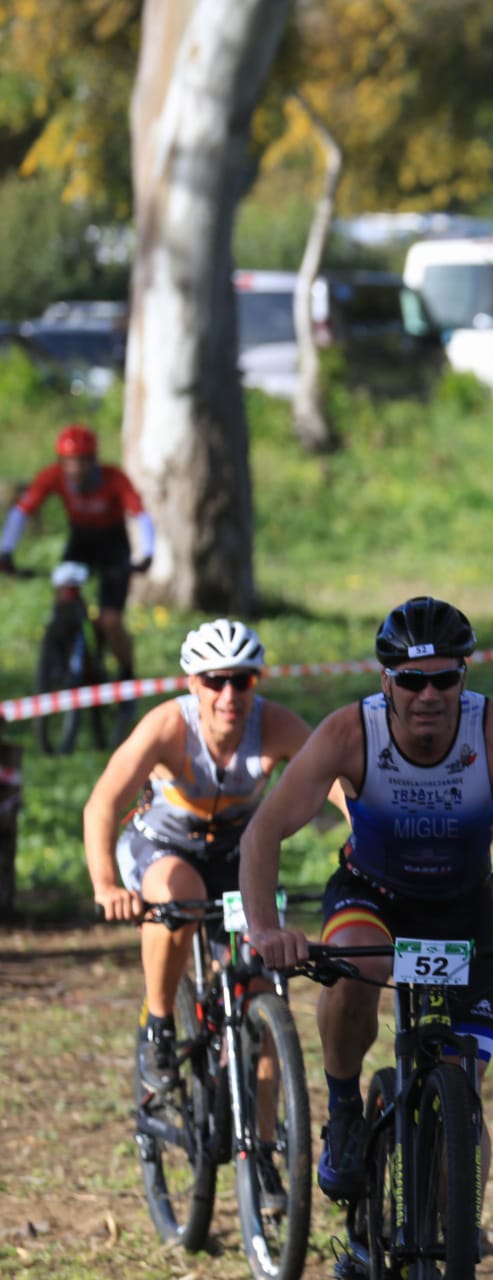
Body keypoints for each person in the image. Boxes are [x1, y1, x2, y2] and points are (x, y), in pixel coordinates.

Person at [241, 597, 493, 1259]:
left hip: (458, 910)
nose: (428, 695)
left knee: (460, 1091)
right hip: (372, 897)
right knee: (353, 961)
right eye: (412, 681)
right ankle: (347, 1110)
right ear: (386, 681)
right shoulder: (349, 733)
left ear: (464, 678)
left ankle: (452, 1227)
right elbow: (264, 832)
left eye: (445, 678)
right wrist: (267, 930)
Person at [86, 619, 342, 1175]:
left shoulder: (274, 723)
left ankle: (267, 1146)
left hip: (236, 857)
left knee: (263, 977)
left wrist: (368, 841)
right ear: (193, 683)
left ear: (258, 681)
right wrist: (107, 884)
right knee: (180, 895)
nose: (230, 695)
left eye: (243, 680)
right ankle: (159, 1027)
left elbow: (339, 784)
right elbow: (103, 804)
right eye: (215, 680)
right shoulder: (166, 726)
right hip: (162, 849)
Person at [0, 423, 154, 678]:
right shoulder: (53, 476)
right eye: (69, 461)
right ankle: (62, 658)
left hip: (113, 545)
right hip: (80, 541)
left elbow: (140, 515)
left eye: (82, 461)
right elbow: (21, 512)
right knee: (64, 598)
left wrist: (146, 555)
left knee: (110, 620)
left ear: (93, 460)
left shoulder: (114, 478)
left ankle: (126, 675)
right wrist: (5, 551)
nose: (75, 469)